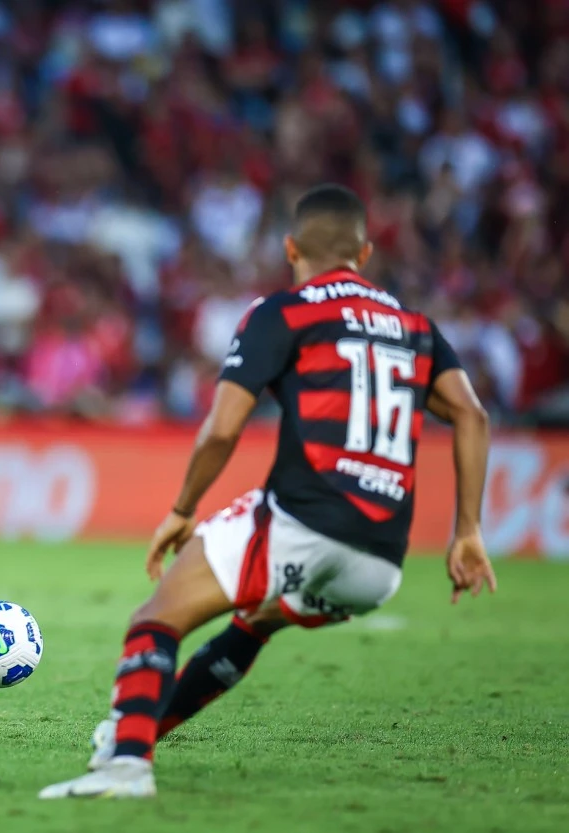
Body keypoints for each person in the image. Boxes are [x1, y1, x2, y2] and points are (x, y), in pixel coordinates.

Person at [39, 184, 497, 798]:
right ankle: (131, 735)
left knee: (156, 619)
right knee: (257, 622)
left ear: (290, 248)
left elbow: (223, 427)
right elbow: (473, 415)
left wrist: (181, 510)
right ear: (363, 254)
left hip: (304, 521)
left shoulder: (284, 312)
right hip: (381, 561)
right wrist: (467, 530)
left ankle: (127, 767)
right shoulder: (414, 327)